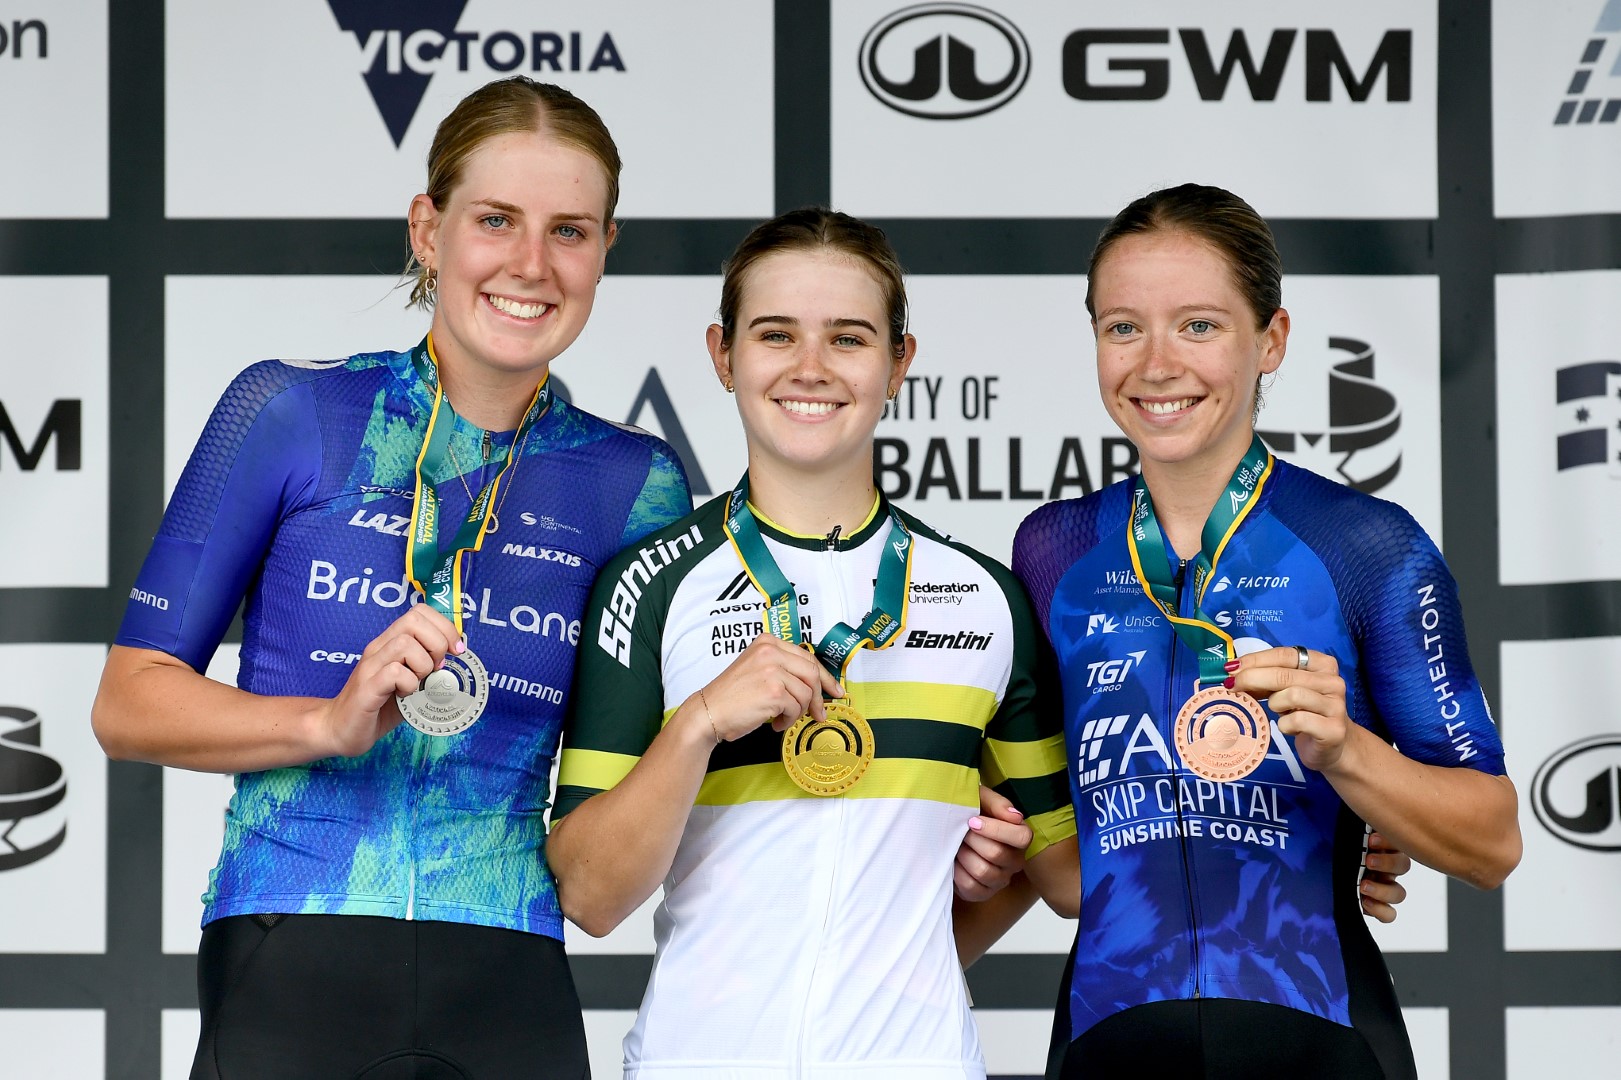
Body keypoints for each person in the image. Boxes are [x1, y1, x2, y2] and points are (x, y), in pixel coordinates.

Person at [91, 77, 693, 1079]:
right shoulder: (291, 412)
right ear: (428, 229)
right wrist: (323, 724)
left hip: (509, 967)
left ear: (604, 250)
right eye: (495, 220)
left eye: (570, 232)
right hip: (290, 946)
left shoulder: (635, 482)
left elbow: (630, 793)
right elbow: (127, 703)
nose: (531, 265)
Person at [545, 207, 1080, 1080]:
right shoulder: (650, 583)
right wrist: (700, 724)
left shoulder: (987, 599)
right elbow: (591, 896)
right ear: (722, 355)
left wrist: (1322, 844)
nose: (809, 368)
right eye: (775, 334)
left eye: (848, 338)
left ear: (898, 362)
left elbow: (1065, 877)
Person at [1011, 183, 1521, 1078]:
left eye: (1198, 326)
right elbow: (1063, 877)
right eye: (1122, 327)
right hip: (1108, 1039)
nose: (1156, 364)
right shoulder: (1050, 549)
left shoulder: (1364, 546)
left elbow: (1491, 842)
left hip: (1317, 1037)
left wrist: (1350, 761)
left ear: (1269, 341)